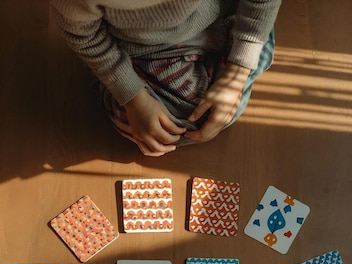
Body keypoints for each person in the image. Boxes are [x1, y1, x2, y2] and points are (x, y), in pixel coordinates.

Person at [50, 0, 281, 156]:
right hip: (142, 48)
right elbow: (84, 36)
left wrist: (236, 74)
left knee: (252, 41)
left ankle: (249, 43)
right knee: (165, 126)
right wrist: (133, 96)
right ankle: (249, 45)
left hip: (219, 17)